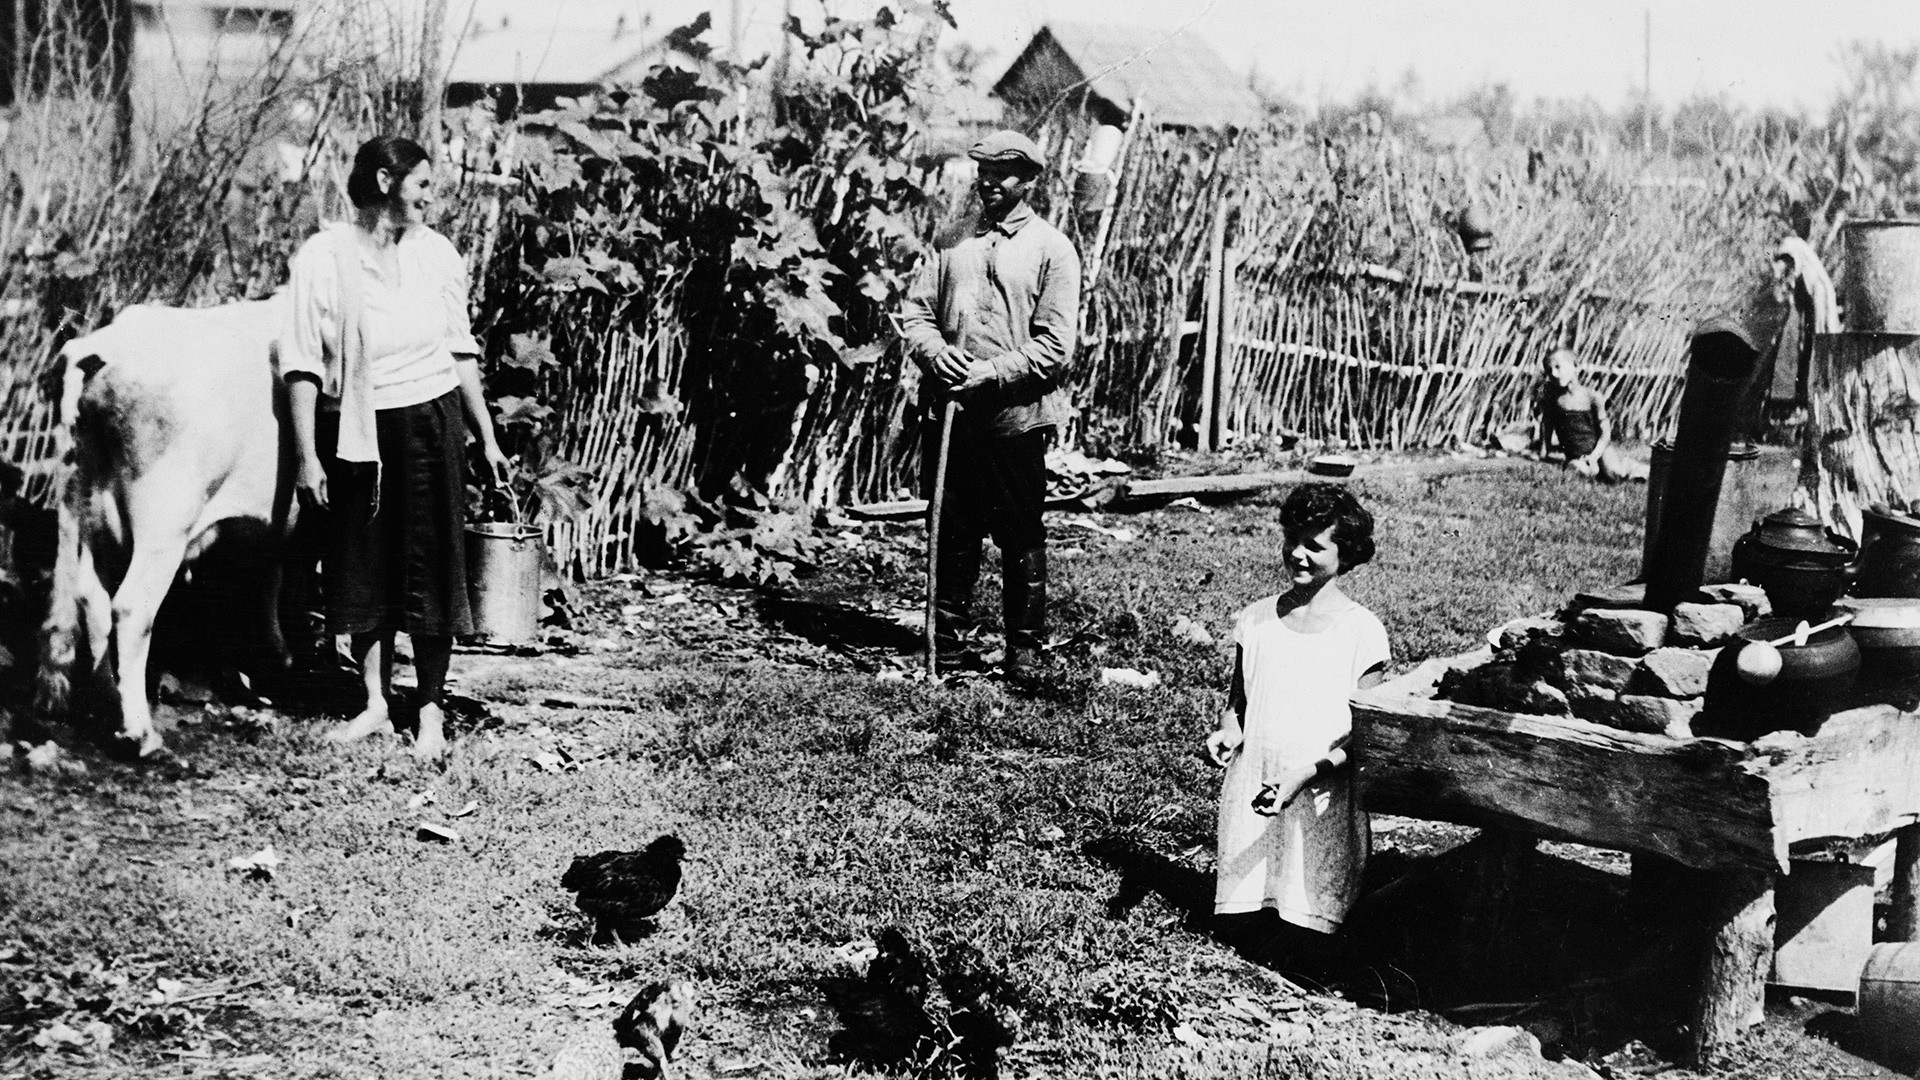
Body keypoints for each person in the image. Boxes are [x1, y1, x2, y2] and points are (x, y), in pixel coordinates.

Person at [281, 135, 509, 759]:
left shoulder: (438, 254)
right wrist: (307, 456)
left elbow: (459, 350)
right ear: (386, 182)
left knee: (435, 572)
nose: (434, 197)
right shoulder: (323, 258)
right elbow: (301, 364)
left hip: (432, 423)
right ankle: (377, 703)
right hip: (355, 426)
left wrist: (484, 436)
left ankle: (430, 710)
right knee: (364, 569)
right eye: (424, 185)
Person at [898, 130, 1081, 679]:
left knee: (1019, 533)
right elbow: (917, 315)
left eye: (1004, 173)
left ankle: (1024, 651)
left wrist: (992, 373)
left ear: (1028, 181)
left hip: (1014, 419)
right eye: (984, 170)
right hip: (951, 418)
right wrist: (935, 355)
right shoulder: (953, 240)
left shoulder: (1052, 250)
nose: (990, 182)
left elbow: (1056, 346)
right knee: (951, 529)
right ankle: (944, 647)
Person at [1204, 483, 1389, 958]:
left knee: (1308, 926)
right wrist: (1227, 732)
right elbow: (1237, 703)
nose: (1298, 554)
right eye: (1292, 540)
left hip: (1320, 788)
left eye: (1315, 545)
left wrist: (1307, 774)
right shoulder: (1257, 619)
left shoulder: (1361, 631)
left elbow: (1366, 736)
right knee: (1241, 925)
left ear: (1345, 553)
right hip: (1258, 781)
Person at [1533, 348, 1649, 482]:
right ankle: (1593, 470)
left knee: (1614, 474)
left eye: (1558, 367)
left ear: (1575, 367)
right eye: (1549, 370)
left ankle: (1632, 467)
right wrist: (1544, 452)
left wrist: (1594, 455)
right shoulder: (1553, 399)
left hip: (1600, 449)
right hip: (1576, 454)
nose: (1553, 373)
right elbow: (1547, 425)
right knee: (1582, 471)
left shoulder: (1592, 397)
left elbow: (1605, 434)